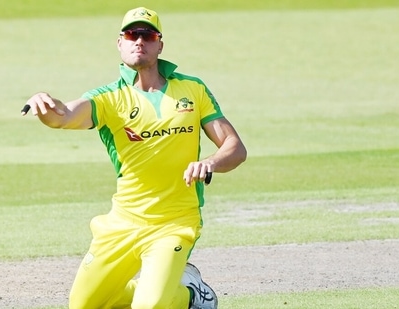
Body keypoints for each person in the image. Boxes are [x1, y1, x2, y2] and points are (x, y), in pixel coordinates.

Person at [21, 7, 247, 309]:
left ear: (159, 44)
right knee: (83, 305)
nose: (139, 41)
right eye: (131, 34)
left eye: (148, 34)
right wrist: (45, 105)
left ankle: (193, 297)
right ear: (120, 43)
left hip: (174, 222)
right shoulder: (108, 98)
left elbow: (235, 147)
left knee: (150, 307)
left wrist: (211, 162)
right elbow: (63, 117)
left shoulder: (192, 89)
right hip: (123, 222)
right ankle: (155, 287)